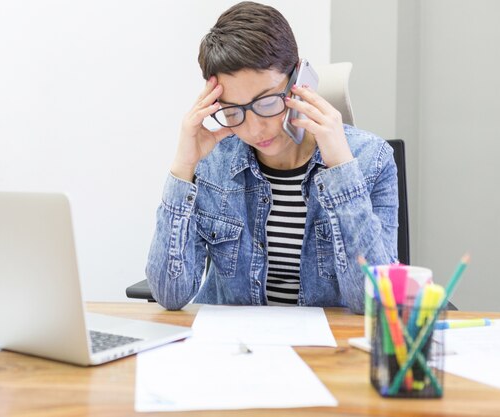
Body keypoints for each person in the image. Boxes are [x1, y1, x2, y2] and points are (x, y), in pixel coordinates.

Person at [146, 1, 398, 314]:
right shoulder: (212, 163)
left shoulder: (370, 159)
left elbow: (376, 301)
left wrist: (341, 170)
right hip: (231, 349)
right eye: (232, 111)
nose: (254, 128)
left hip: (328, 354)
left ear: (299, 80)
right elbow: (170, 295)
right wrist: (183, 167)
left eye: (266, 103)